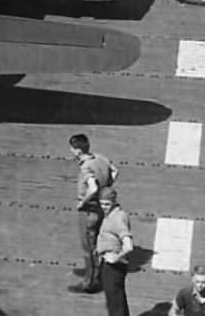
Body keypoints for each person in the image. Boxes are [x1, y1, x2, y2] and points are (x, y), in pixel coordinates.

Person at [69, 133, 118, 292]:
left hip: (89, 210)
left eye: (72, 148)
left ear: (77, 150)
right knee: (97, 242)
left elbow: (93, 187)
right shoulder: (100, 158)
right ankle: (95, 271)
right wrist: (107, 187)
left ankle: (90, 282)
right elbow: (115, 171)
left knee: (88, 247)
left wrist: (83, 202)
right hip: (100, 208)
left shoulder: (85, 166)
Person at [93, 185, 133, 316]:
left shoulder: (117, 218)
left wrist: (115, 258)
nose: (104, 207)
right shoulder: (112, 214)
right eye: (102, 204)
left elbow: (128, 245)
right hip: (108, 263)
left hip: (113, 266)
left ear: (114, 201)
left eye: (107, 204)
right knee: (118, 300)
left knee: (114, 303)